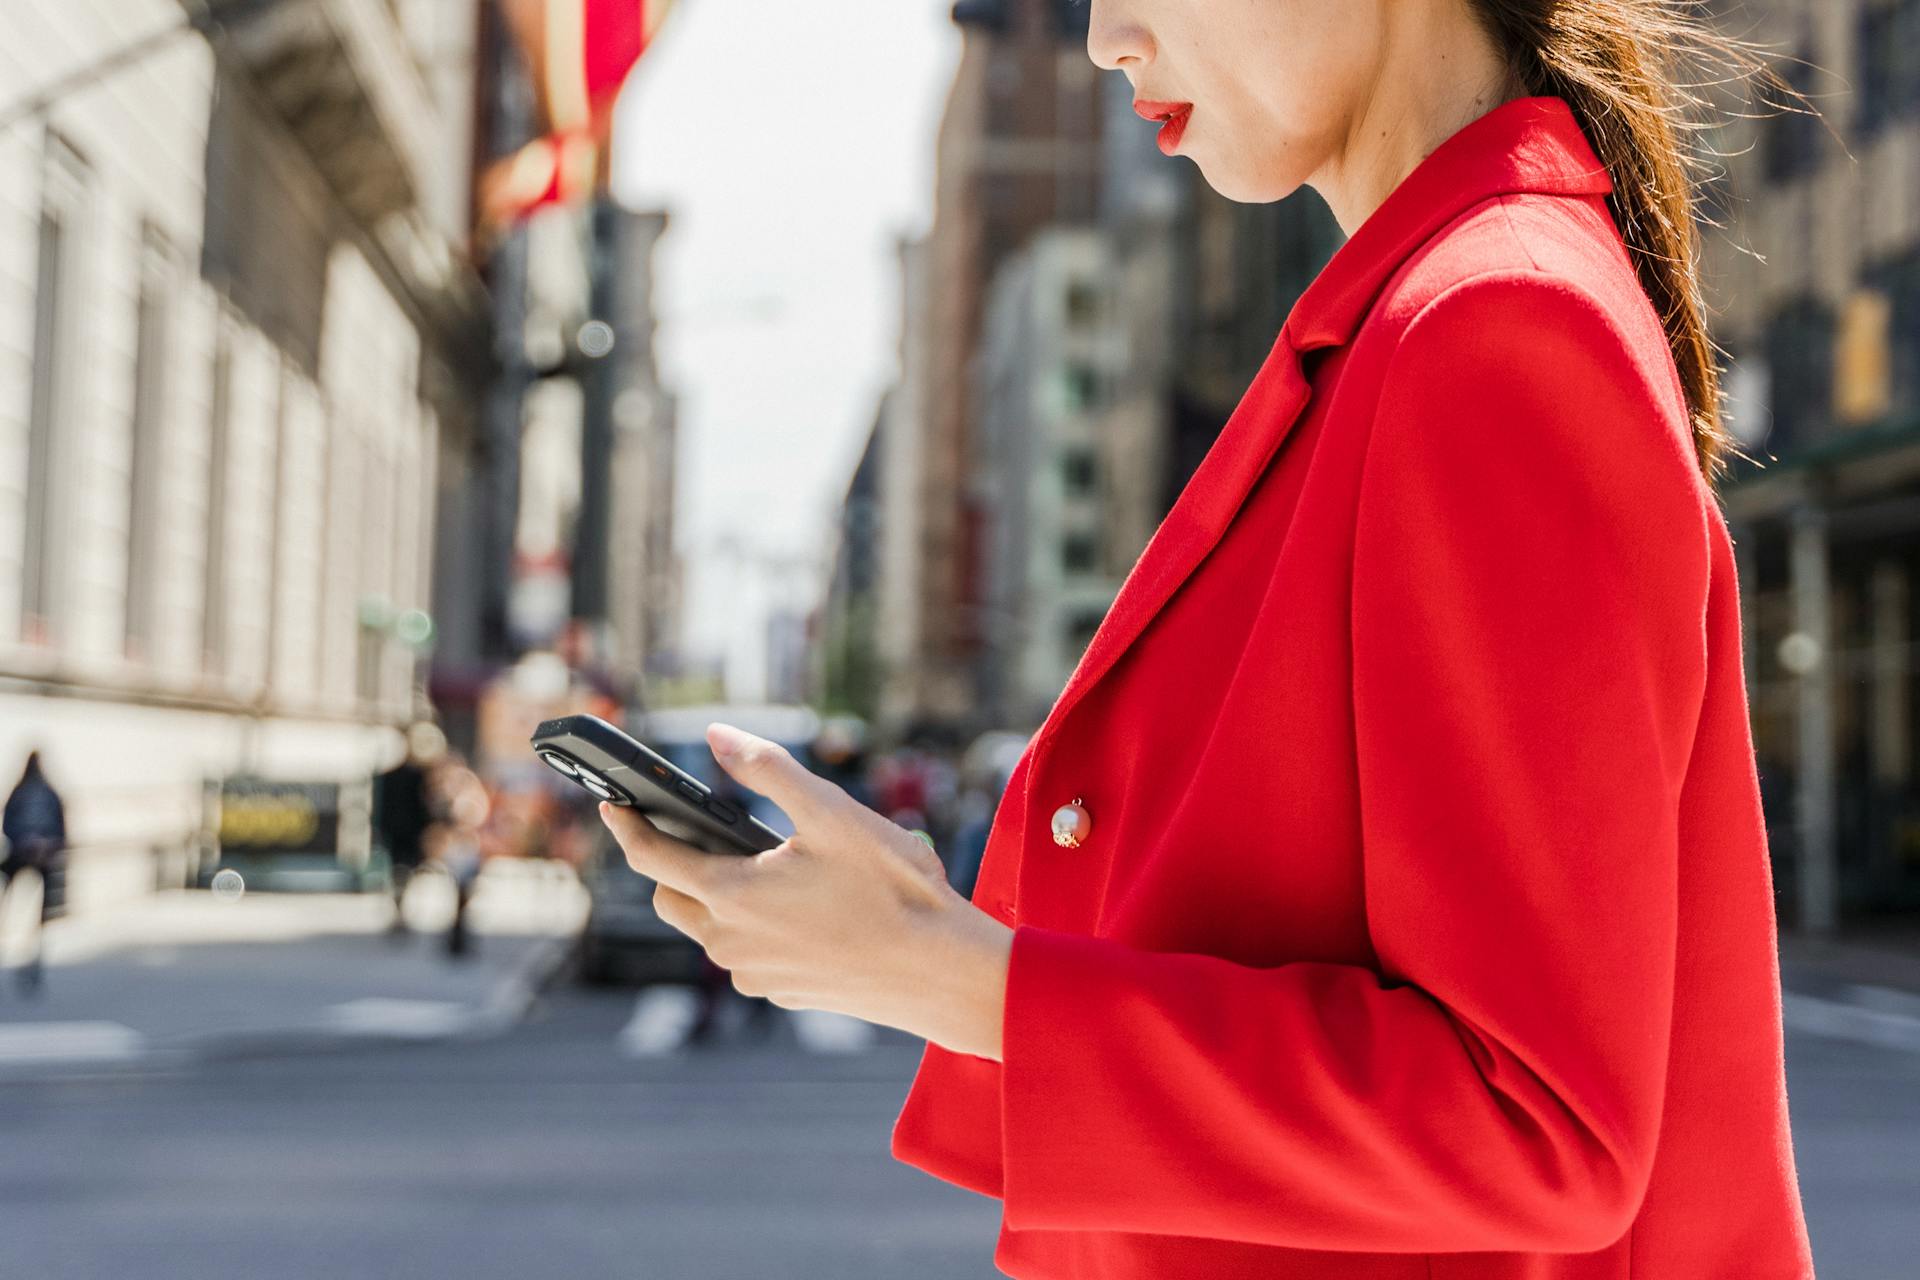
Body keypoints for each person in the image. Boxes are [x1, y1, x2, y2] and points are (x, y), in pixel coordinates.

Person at [593, 3, 1818, 1276]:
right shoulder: (1416, 323)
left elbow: (1533, 1125)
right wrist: (925, 939)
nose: (1105, 40)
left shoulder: (1495, 324)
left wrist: (947, 972)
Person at [2, 751, 68, 994]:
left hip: (33, 854)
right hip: (27, 853)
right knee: (16, 906)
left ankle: (32, 956)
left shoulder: (29, 792)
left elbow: (60, 826)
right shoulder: (39, 792)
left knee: (36, 911)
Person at [371, 722, 443, 938]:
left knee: (401, 874)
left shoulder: (405, 776)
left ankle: (400, 911)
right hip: (406, 832)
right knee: (403, 874)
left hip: (400, 831)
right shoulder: (413, 776)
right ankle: (400, 911)